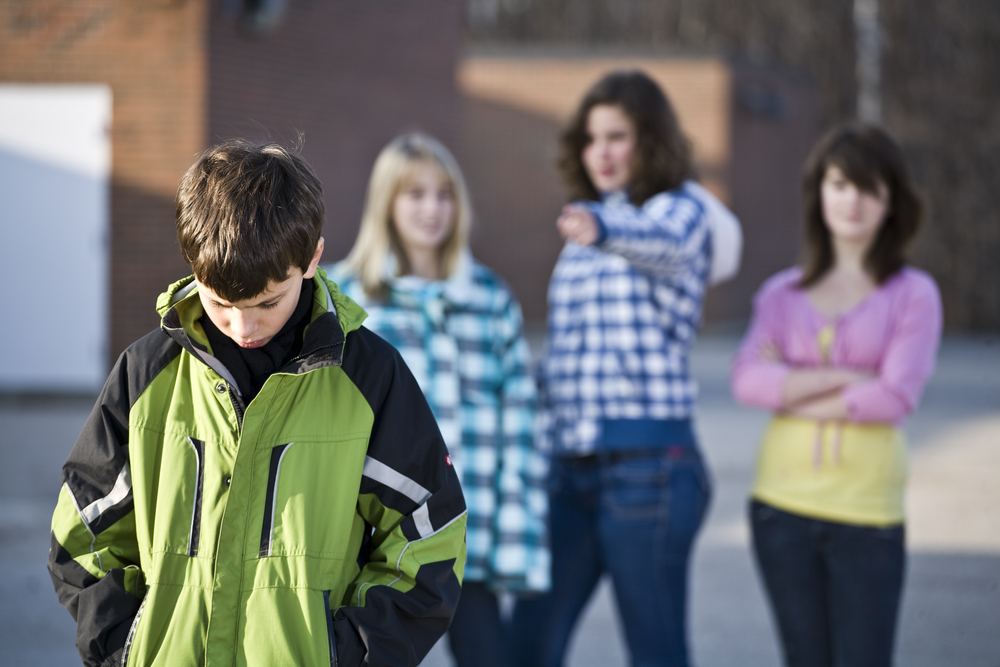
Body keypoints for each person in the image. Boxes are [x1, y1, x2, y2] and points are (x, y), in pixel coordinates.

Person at [47, 139, 468, 667]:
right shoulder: (146, 372)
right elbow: (83, 532)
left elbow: (429, 536)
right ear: (193, 267)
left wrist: (346, 655)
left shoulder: (369, 377)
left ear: (312, 259)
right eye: (220, 302)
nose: (243, 327)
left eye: (268, 302)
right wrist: (125, 648)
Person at [510, 70, 742, 667]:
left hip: (649, 468)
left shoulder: (682, 210)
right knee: (526, 645)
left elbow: (662, 241)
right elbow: (571, 353)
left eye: (617, 137)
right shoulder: (586, 229)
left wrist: (605, 227)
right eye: (592, 139)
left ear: (650, 140)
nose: (602, 152)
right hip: (571, 465)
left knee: (655, 652)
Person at [326, 133, 549, 667]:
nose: (433, 208)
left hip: (467, 532)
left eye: (445, 194)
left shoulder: (490, 299)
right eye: (416, 194)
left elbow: (520, 426)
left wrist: (515, 541)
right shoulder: (343, 298)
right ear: (386, 202)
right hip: (378, 538)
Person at [730, 123, 942, 667]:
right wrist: (849, 378)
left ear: (891, 200)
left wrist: (789, 385)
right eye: (840, 184)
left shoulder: (914, 294)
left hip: (866, 510)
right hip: (780, 506)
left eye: (869, 188)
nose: (853, 201)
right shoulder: (781, 294)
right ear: (818, 193)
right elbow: (746, 381)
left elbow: (894, 398)